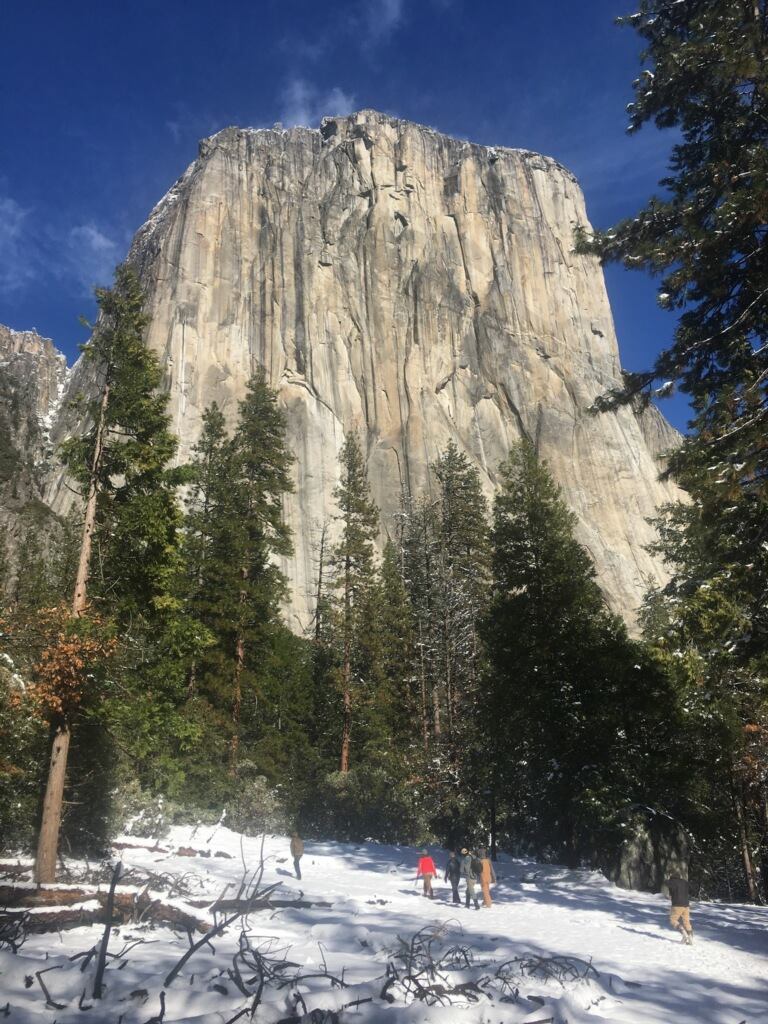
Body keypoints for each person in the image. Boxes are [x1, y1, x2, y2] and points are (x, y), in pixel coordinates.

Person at [667, 874, 693, 944]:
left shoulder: (671, 882)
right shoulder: (685, 882)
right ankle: (690, 938)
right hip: (686, 904)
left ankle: (684, 934)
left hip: (677, 904)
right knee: (686, 921)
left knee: (673, 920)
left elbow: (668, 887)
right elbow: (690, 889)